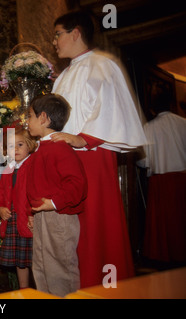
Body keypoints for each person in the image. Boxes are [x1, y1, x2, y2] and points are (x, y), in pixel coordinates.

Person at [50, 11, 147, 288]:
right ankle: (76, 286)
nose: (55, 42)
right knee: (71, 229)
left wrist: (82, 139)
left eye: (58, 34)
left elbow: (112, 108)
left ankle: (106, 286)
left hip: (92, 155)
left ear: (75, 33)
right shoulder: (62, 77)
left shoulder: (102, 65)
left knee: (96, 225)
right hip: (65, 159)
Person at [25, 94, 87, 297]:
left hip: (59, 217)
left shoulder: (60, 149)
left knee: (60, 268)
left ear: (43, 118)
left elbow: (78, 186)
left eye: (30, 116)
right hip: (43, 215)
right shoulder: (42, 148)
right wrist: (32, 213)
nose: (27, 121)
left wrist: (53, 203)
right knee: (42, 266)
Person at [138, 91, 186, 262]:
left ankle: (165, 259)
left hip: (160, 182)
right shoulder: (183, 123)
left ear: (152, 109)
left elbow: (143, 161)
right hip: (182, 180)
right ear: (172, 105)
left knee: (164, 225)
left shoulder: (149, 128)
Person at [0, 126, 37, 289]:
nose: (16, 149)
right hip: (13, 219)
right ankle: (24, 290)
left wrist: (33, 214)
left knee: (35, 259)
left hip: (28, 220)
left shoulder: (33, 165)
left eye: (20, 145)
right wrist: (0, 208)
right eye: (11, 146)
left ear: (30, 145)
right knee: (21, 261)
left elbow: (37, 192)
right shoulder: (8, 169)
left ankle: (40, 291)